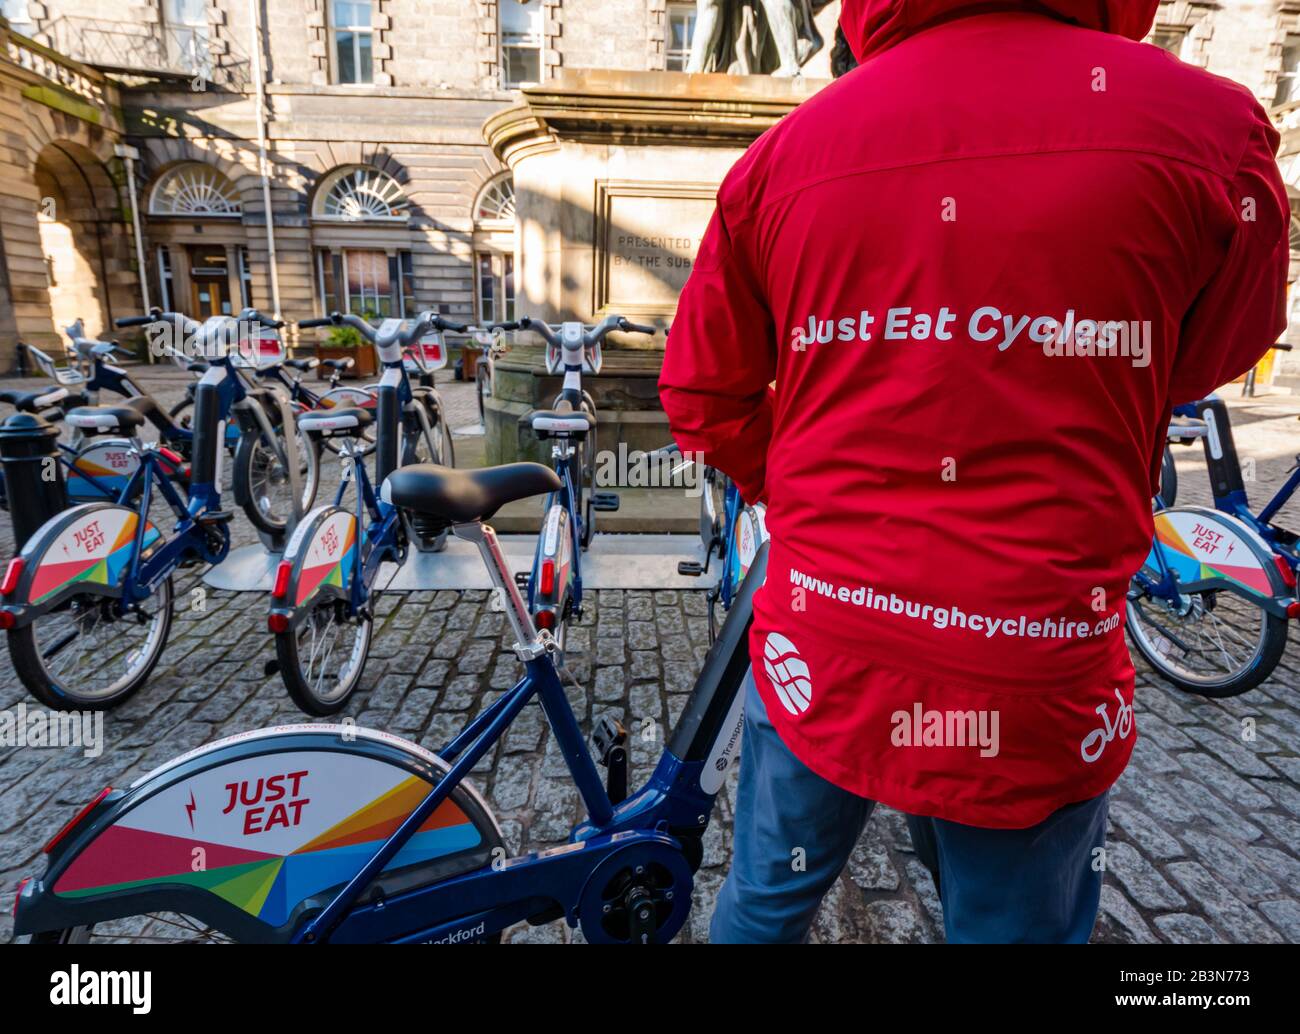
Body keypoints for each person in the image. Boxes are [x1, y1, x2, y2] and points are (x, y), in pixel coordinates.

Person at [659, 0, 1289, 943]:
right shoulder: (1211, 130)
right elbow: (1206, 357)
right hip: (1028, 655)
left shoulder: (784, 154)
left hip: (824, 640)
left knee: (764, 903)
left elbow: (704, 395)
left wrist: (809, 494)